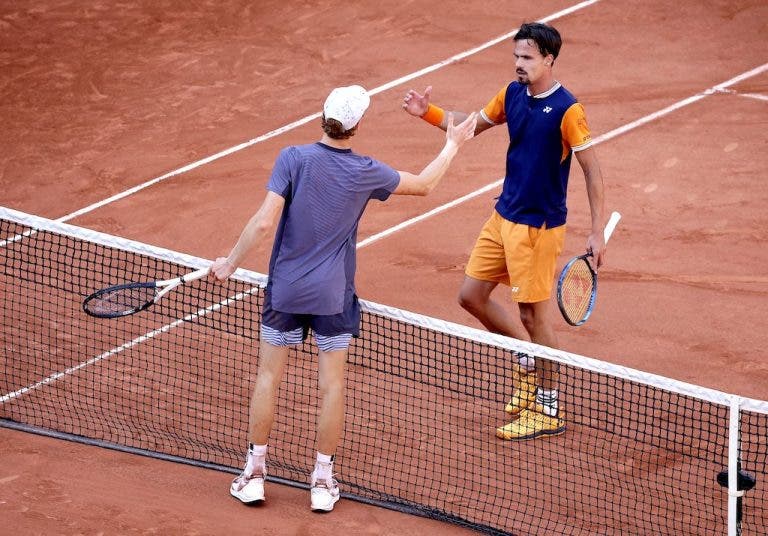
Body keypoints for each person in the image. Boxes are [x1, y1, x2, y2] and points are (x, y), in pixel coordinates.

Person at [211, 84, 477, 511]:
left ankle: (255, 474)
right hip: (333, 297)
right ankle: (321, 482)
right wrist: (451, 144)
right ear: (357, 126)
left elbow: (263, 224)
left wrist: (231, 263)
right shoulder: (366, 171)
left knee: (267, 379)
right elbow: (425, 185)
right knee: (332, 386)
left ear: (323, 116)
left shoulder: (292, 158)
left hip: (286, 291)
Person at [402, 22, 607, 441]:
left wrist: (597, 229)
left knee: (535, 316)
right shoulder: (511, 94)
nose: (519, 64)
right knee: (470, 296)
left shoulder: (568, 110)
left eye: (528, 58)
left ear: (549, 60)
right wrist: (430, 114)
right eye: (516, 56)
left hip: (538, 228)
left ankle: (548, 407)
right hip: (503, 217)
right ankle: (528, 362)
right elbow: (469, 125)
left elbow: (592, 169)